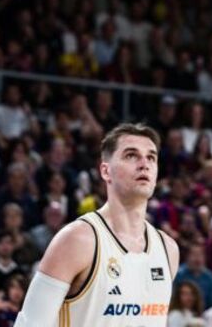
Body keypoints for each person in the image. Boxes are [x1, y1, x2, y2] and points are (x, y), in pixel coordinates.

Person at [14, 124, 178, 327]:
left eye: (151, 157)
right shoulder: (77, 240)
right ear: (105, 171)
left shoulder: (168, 249)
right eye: (131, 155)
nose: (144, 164)